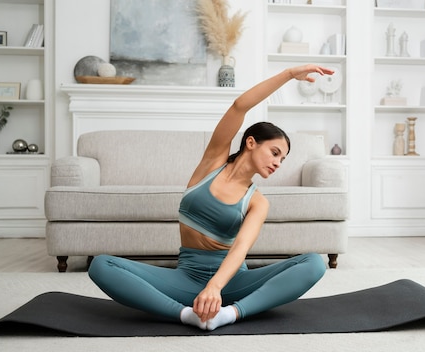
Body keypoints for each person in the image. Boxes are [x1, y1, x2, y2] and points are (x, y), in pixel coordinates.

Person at [88, 64, 335, 331]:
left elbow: (240, 249)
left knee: (313, 263)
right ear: (251, 142)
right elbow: (240, 106)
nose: (278, 163)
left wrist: (216, 287)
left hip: (233, 284)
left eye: (283, 159)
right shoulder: (212, 163)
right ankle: (186, 315)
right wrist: (288, 75)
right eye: (274, 152)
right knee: (101, 265)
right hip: (186, 279)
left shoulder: (257, 202)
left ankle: (230, 314)